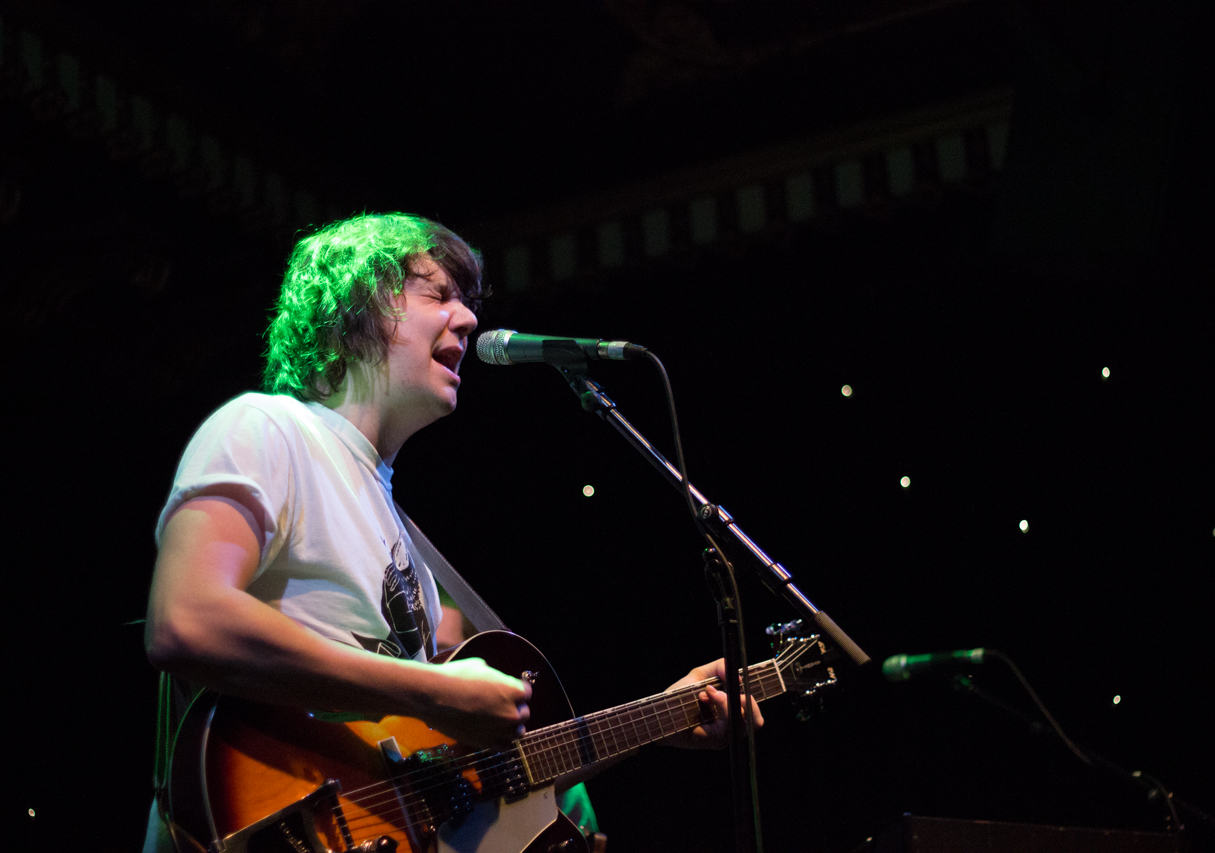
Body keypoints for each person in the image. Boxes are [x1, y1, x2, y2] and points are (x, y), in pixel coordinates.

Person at [143, 212, 761, 852]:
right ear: (354, 306)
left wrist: (662, 717)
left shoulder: (392, 521)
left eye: (465, 301)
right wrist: (434, 691)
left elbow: (454, 786)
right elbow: (187, 620)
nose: (467, 319)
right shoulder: (267, 429)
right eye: (437, 294)